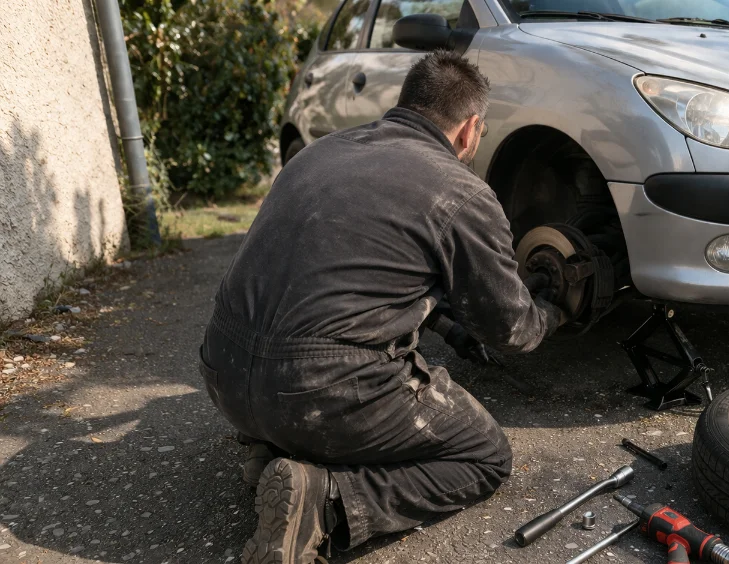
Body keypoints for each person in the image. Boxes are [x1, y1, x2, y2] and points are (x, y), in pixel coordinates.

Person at [197, 50, 566, 563]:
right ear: (470, 129)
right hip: (314, 392)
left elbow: (363, 275)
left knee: (296, 374)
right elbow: (514, 331)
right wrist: (553, 305)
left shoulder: (318, 153)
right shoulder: (460, 192)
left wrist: (449, 326)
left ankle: (274, 446)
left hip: (224, 374)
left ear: (407, 104)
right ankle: (324, 503)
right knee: (484, 457)